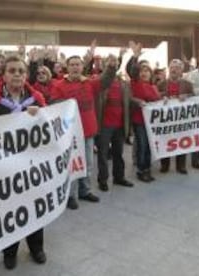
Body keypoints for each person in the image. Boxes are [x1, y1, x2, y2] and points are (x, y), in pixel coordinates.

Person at [0, 55, 47, 271]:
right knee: (10, 210)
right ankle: (10, 251)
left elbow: (48, 130)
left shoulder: (36, 100)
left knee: (35, 206)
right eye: (12, 70)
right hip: (4, 167)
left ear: (26, 75)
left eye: (21, 71)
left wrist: (39, 116)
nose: (17, 74)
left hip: (31, 165)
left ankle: (36, 247)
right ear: (4, 75)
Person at [51, 54, 118, 209]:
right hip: (70, 134)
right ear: (67, 67)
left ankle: (85, 191)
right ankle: (71, 195)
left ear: (82, 67)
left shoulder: (89, 83)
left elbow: (105, 81)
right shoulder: (59, 85)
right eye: (72, 64)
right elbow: (53, 102)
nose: (75, 67)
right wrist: (70, 103)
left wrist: (112, 67)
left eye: (78, 64)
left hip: (88, 131)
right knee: (73, 165)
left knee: (87, 163)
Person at [126, 41, 161, 182]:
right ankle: (141, 170)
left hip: (152, 122)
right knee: (142, 145)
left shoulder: (153, 86)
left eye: (147, 71)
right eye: (142, 71)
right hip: (140, 121)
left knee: (149, 146)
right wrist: (135, 56)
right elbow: (131, 70)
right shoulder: (135, 83)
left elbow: (157, 100)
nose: (144, 73)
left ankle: (147, 168)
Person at [96, 70, 134, 191]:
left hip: (120, 125)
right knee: (103, 154)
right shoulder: (100, 84)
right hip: (104, 125)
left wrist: (141, 103)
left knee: (118, 153)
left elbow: (130, 101)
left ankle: (119, 177)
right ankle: (103, 180)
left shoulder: (124, 84)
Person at [158, 59, 194, 174]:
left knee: (181, 141)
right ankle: (165, 164)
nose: (174, 69)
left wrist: (187, 96)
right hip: (165, 119)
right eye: (172, 67)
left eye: (177, 67)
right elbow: (154, 96)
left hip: (181, 119)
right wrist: (162, 96)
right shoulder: (161, 84)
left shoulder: (188, 84)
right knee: (165, 141)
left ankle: (181, 166)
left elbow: (194, 98)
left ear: (181, 70)